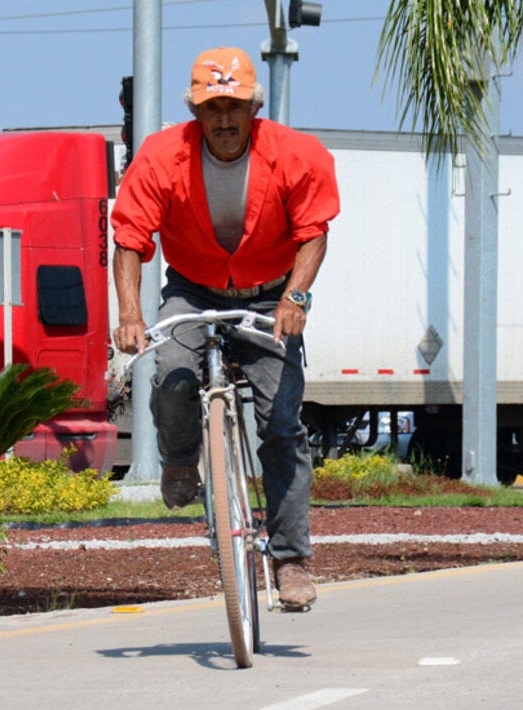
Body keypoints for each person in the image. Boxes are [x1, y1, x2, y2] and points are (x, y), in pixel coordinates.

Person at [110, 46, 340, 609]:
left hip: (269, 297)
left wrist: (296, 297)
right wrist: (131, 314)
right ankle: (182, 460)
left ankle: (291, 561)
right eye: (212, 108)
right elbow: (130, 239)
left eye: (235, 106)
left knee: (282, 426)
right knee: (172, 379)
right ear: (195, 110)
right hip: (192, 289)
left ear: (253, 107)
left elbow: (314, 231)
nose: (225, 120)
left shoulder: (295, 155)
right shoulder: (162, 157)